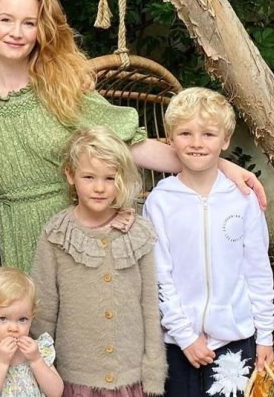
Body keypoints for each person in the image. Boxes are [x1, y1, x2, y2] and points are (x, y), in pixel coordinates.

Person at [0, 0, 267, 272]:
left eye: (29, 23)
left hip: (77, 231)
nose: (16, 32)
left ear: (42, 31)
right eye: (6, 20)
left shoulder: (60, 87)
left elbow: (132, 144)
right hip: (15, 234)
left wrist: (218, 166)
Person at [142, 87, 274, 397]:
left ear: (225, 140)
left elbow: (257, 269)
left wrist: (265, 335)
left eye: (208, 134)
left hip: (235, 338)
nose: (197, 143)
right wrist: (185, 336)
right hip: (177, 342)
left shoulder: (243, 199)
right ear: (170, 139)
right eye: (185, 133)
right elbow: (158, 275)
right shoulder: (160, 202)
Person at [31, 126, 166, 396]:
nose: (100, 188)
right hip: (75, 377)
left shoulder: (138, 233)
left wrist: (153, 373)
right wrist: (42, 371)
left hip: (129, 377)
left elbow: (150, 306)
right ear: (70, 175)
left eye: (110, 178)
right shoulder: (56, 234)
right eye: (89, 177)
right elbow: (44, 307)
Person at [0, 267, 64, 397]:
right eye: (3, 318)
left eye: (22, 319)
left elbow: (56, 392)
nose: (13, 328)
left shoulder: (38, 349)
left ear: (31, 318)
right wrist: (1, 364)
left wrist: (36, 360)